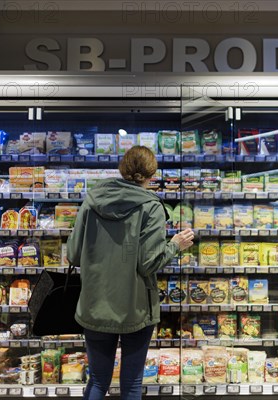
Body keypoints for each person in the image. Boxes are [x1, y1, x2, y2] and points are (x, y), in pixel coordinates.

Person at [66, 146, 194, 400]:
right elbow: (148, 263)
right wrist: (175, 246)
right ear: (152, 174)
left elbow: (74, 254)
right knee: (132, 384)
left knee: (98, 381)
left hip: (94, 305)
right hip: (134, 308)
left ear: (122, 168)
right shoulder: (152, 207)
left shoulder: (92, 199)